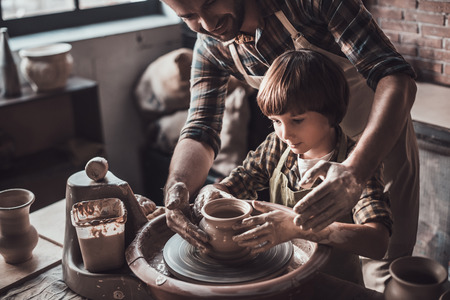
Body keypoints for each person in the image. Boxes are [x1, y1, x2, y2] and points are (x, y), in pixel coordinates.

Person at [161, 0, 419, 291]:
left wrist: (355, 171)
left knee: (384, 274)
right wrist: (180, 188)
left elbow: (396, 77)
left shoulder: (308, 4)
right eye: (189, 17)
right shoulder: (277, 145)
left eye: (209, 3)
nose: (207, 25)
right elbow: (201, 127)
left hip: (376, 143)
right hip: (306, 250)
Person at [192, 49, 392, 284]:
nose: (285, 134)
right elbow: (234, 185)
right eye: (276, 121)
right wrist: (210, 193)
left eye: (297, 120)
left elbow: (378, 242)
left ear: (332, 112)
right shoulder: (276, 148)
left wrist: (298, 228)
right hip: (285, 279)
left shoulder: (355, 165)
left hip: (335, 285)